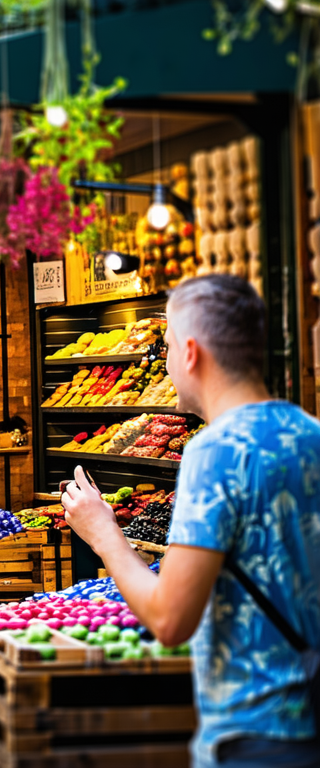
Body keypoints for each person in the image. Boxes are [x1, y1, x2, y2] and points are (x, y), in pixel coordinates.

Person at [62, 275, 320, 767]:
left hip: (253, 731)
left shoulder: (215, 452)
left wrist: (103, 534)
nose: (164, 360)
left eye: (167, 346)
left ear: (192, 353)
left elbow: (169, 618)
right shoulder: (310, 433)